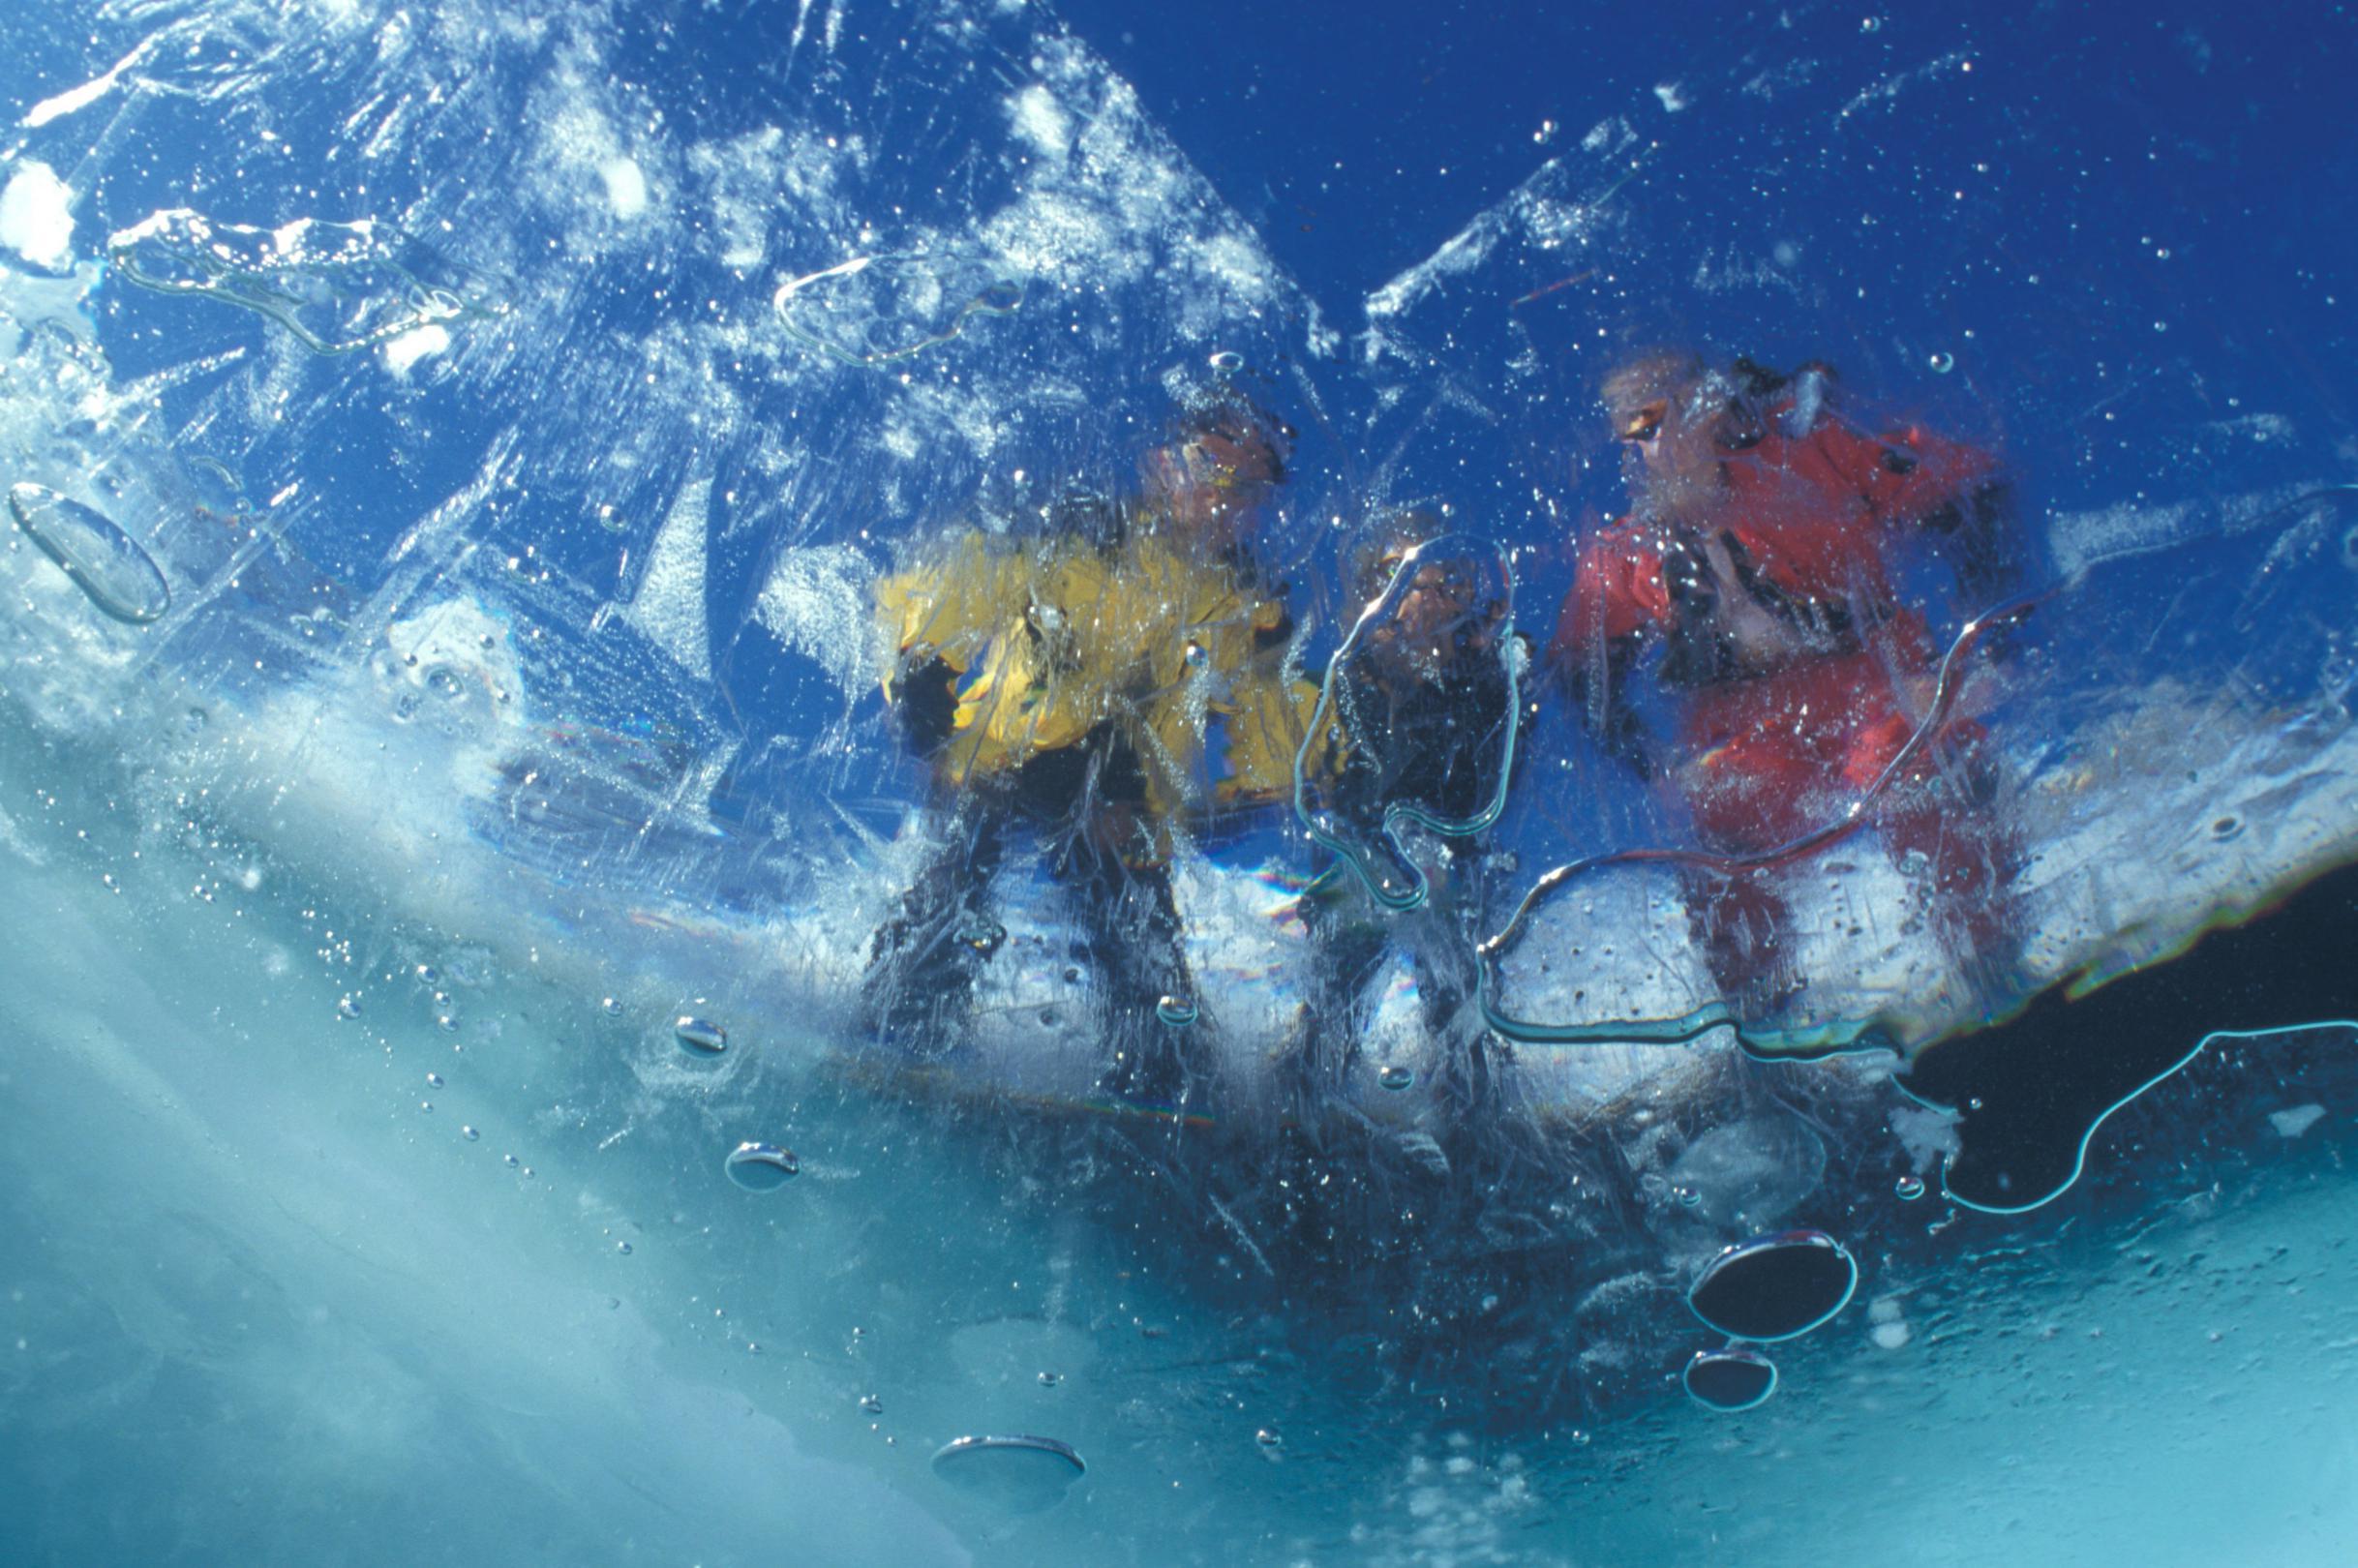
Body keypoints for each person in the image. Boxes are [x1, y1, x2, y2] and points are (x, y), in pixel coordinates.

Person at [862, 392, 1326, 1104]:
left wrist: (1282, 778)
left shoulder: (1246, 599)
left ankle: (1165, 1069)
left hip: (1124, 793)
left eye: (1251, 485)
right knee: (954, 877)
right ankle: (900, 1021)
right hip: (1008, 755)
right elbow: (957, 579)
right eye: (1211, 464)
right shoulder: (1077, 530)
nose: (1225, 495)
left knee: (1141, 931)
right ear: (1158, 463)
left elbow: (1274, 702)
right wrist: (925, 693)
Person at [1549, 351, 2024, 1026]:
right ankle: (1766, 1046)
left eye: (1654, 419)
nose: (1645, 448)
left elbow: (1972, 493)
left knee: (1927, 770)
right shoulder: (1628, 554)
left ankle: (2001, 980)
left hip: (1873, 669)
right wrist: (1656, 766)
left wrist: (1983, 651)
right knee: (1721, 846)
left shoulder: (1815, 452)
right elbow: (1578, 673)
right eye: (1630, 431)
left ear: (1709, 402)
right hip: (1742, 716)